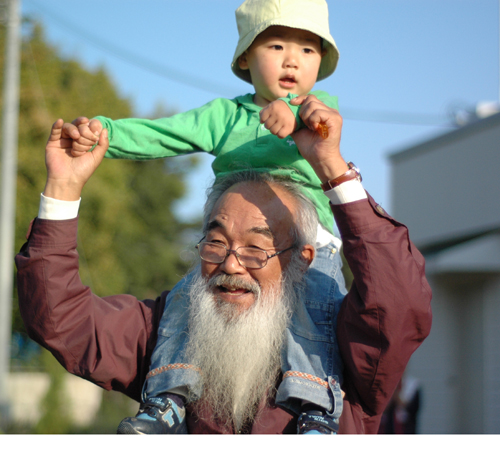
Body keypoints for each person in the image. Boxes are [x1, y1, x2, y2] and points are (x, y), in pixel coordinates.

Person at [16, 95, 432, 434]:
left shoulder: (345, 345)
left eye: (256, 248)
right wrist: (63, 189)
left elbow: (400, 299)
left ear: (304, 261)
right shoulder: (167, 330)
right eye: (215, 243)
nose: (231, 265)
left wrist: (332, 169)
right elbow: (60, 318)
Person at [64, 0, 350, 434]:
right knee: (184, 302)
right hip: (235, 247)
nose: (293, 59)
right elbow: (164, 133)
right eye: (275, 45)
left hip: (309, 241)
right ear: (244, 58)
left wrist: (292, 111)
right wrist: (104, 132)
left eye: (309, 50)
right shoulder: (225, 117)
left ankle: (315, 410)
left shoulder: (318, 104)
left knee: (316, 311)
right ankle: (166, 401)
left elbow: (324, 124)